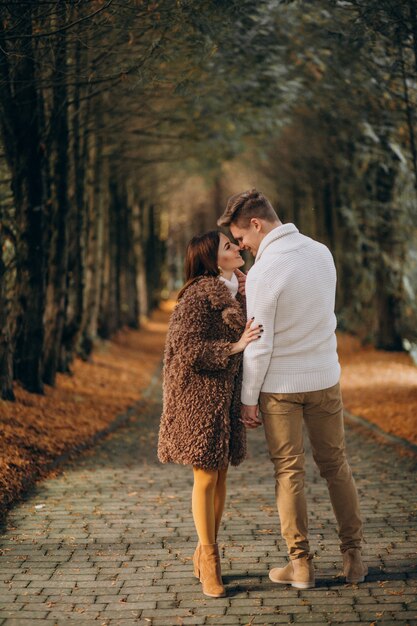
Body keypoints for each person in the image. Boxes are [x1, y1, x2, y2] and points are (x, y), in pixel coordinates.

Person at [217, 188, 367, 589]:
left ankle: (300, 566)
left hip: (281, 387)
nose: (244, 248)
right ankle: (354, 558)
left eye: (243, 238)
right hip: (324, 377)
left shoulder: (267, 270)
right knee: (337, 467)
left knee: (289, 472)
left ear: (256, 223)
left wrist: (249, 400)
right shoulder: (321, 253)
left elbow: (260, 341)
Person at [157, 230, 262, 598]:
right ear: (213, 260)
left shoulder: (235, 290)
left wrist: (246, 294)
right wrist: (233, 347)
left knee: (219, 478)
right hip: (197, 398)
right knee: (205, 478)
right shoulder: (197, 296)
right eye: (228, 247)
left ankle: (202, 553)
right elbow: (186, 351)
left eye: (235, 244)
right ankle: (212, 562)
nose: (237, 249)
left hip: (226, 399)